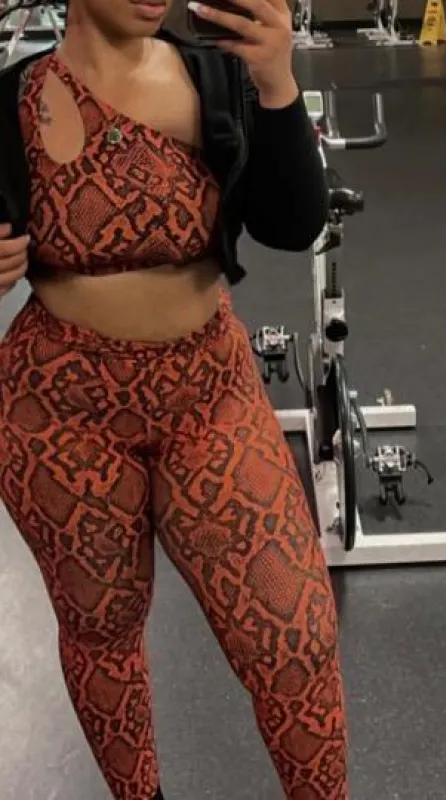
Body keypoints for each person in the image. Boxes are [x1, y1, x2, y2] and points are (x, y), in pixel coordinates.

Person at [0, 1, 347, 798]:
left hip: (206, 392)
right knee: (102, 629)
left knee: (293, 638)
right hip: (58, 410)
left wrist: (278, 82)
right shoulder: (13, 102)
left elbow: (293, 225)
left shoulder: (219, 78)